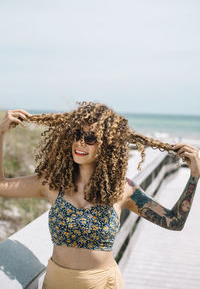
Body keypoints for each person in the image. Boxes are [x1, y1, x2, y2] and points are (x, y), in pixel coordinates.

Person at [0, 101, 199, 289]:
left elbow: (174, 221)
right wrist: (0, 132)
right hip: (56, 283)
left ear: (107, 144)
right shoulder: (52, 183)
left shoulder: (122, 190)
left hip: (102, 284)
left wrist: (194, 177)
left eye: (90, 138)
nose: (80, 143)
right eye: (76, 134)